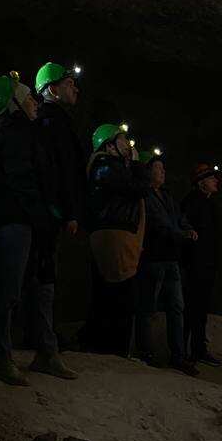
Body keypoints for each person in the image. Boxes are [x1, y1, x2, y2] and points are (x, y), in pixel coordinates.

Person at [0, 71, 76, 385]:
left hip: (18, 220)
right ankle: (0, 357)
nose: (34, 100)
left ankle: (4, 355)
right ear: (14, 104)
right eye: (27, 97)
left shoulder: (18, 131)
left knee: (13, 288)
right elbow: (24, 181)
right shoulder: (18, 132)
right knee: (7, 291)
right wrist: (44, 216)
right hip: (15, 221)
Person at [82, 122, 149, 358]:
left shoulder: (108, 166)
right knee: (119, 295)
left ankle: (107, 347)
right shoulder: (106, 166)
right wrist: (139, 165)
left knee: (113, 293)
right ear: (109, 146)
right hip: (114, 235)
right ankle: (112, 350)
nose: (128, 145)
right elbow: (139, 188)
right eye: (122, 140)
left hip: (113, 234)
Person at [29, 62, 84, 343]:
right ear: (52, 89)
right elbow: (60, 171)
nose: (75, 87)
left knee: (43, 270)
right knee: (44, 271)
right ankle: (42, 337)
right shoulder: (53, 122)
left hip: (50, 210)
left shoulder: (52, 120)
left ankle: (42, 334)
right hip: (49, 212)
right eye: (68, 83)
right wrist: (66, 211)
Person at [136, 151, 199, 376]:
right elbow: (159, 223)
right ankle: (146, 353)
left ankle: (177, 357)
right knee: (148, 307)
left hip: (170, 258)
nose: (163, 172)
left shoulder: (166, 196)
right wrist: (181, 234)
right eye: (158, 168)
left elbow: (176, 218)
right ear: (148, 171)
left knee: (176, 307)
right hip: (154, 258)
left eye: (163, 169)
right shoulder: (145, 197)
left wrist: (187, 228)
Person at [181, 162, 222, 367]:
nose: (216, 180)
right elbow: (184, 226)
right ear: (200, 183)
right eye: (211, 177)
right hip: (194, 265)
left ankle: (197, 350)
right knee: (191, 307)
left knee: (200, 307)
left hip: (205, 264)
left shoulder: (208, 203)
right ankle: (185, 351)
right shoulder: (193, 202)